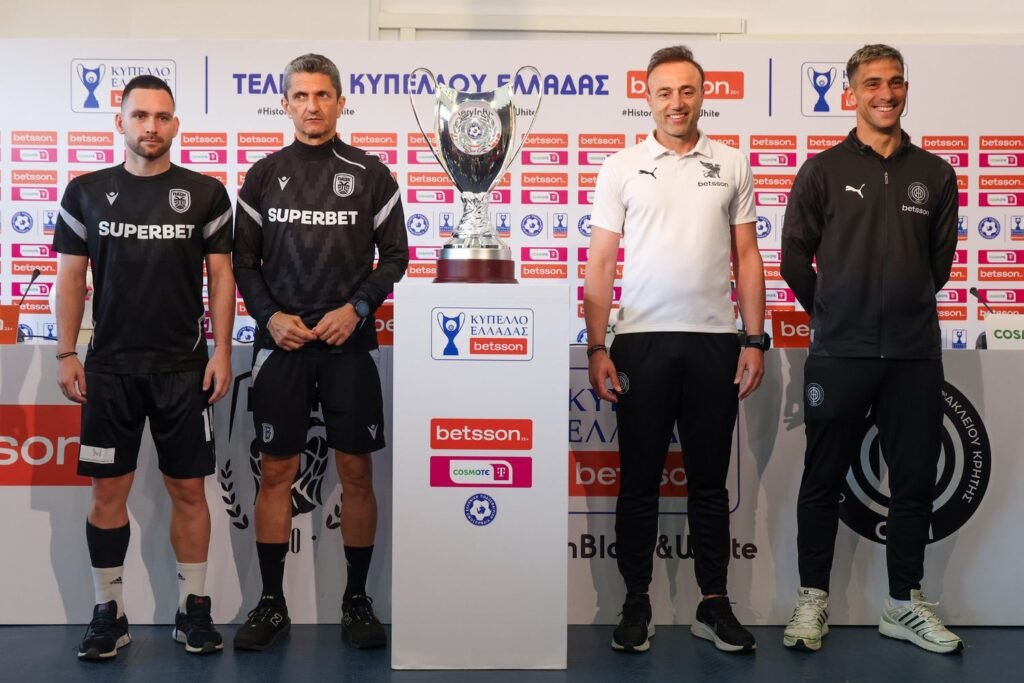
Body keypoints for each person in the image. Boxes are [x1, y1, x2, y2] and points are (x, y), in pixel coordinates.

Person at [583, 45, 767, 654]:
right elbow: (601, 262)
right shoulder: (621, 167)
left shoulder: (732, 163)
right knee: (638, 482)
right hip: (640, 344)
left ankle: (713, 604)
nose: (676, 103)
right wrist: (597, 347)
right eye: (664, 92)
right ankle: (636, 603)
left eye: (687, 91)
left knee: (710, 485)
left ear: (703, 94)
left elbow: (747, 257)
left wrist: (754, 338)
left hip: (716, 344)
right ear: (648, 98)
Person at [780, 44, 961, 654]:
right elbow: (793, 259)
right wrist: (835, 312)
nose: (886, 93)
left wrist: (897, 308)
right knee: (821, 479)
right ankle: (812, 600)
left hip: (913, 355)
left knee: (913, 480)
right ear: (851, 93)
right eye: (873, 83)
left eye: (896, 82)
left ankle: (902, 603)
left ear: (906, 89)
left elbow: (937, 268)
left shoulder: (936, 173)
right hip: (840, 353)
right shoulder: (822, 171)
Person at [54, 75, 235, 659]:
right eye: (140, 116)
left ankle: (193, 610)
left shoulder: (206, 193)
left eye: (161, 116)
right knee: (108, 492)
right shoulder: (85, 192)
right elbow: (71, 277)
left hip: (183, 369)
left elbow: (222, 278)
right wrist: (66, 351)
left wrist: (224, 351)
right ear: (121, 123)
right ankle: (108, 613)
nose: (150, 126)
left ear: (175, 124)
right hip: (110, 370)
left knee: (189, 490)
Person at [232, 53, 408, 651]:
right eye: (301, 96)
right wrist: (269, 316)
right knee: (276, 472)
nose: (312, 106)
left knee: (356, 473)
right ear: (284, 104)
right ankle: (271, 602)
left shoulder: (370, 173)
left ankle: (356, 600)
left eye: (323, 95)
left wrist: (356, 308)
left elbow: (396, 258)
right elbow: (243, 262)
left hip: (349, 345)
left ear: (340, 102)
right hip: (280, 346)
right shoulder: (263, 175)